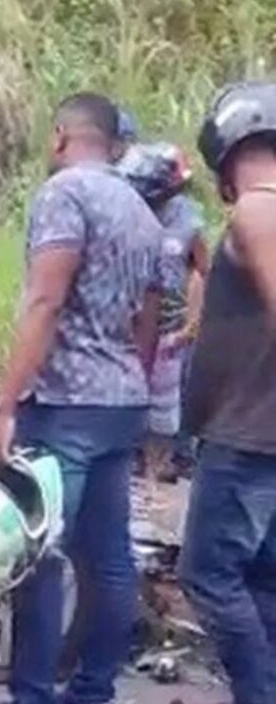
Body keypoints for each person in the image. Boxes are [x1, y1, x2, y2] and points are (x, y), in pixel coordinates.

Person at [0, 93, 163, 704]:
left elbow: (46, 299)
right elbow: (148, 314)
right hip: (120, 402)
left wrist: (4, 406)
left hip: (66, 405)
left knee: (38, 560)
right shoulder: (140, 206)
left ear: (60, 137)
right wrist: (129, 385)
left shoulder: (64, 195)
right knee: (109, 562)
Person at [173, 82, 276, 704]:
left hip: (250, 433)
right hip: (262, 430)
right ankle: (256, 703)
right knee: (262, 578)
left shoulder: (258, 211)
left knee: (207, 573)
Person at [117, 143, 209, 490]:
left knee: (166, 400)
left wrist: (192, 324)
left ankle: (163, 462)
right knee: (129, 388)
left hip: (170, 324)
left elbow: (202, 269)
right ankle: (133, 458)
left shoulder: (187, 220)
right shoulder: (125, 212)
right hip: (129, 319)